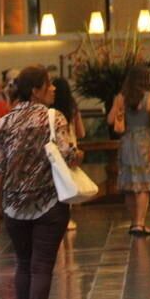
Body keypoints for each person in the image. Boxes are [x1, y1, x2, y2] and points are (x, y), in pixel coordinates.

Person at [0, 65, 80, 299]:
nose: (53, 89)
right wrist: (79, 153)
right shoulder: (53, 118)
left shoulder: (3, 123)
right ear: (36, 90)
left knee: (23, 265)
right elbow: (70, 156)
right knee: (41, 267)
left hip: (14, 206)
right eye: (49, 85)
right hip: (48, 205)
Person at [108, 65, 150, 236]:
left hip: (126, 142)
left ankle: (134, 222)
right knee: (143, 184)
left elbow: (110, 119)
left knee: (130, 185)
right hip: (145, 143)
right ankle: (140, 223)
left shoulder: (120, 98)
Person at [51, 77, 86, 231]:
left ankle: (56, 216)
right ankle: (67, 218)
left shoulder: (49, 109)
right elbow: (81, 132)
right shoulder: (72, 107)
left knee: (57, 182)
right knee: (69, 183)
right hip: (71, 146)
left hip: (56, 147)